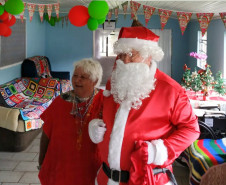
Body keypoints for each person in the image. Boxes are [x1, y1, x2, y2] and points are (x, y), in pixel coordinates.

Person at [88, 26, 200, 185]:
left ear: (149, 55)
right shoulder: (112, 82)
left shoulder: (171, 90)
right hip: (106, 178)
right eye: (121, 54)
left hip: (148, 179)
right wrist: (95, 125)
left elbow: (191, 129)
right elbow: (103, 112)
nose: (125, 60)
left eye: (132, 54)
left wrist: (160, 151)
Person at [38, 58, 104, 185]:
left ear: (94, 81)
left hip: (92, 165)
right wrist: (41, 162)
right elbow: (46, 134)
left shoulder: (104, 101)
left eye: (83, 77)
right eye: (75, 75)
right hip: (62, 166)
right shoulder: (60, 101)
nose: (77, 80)